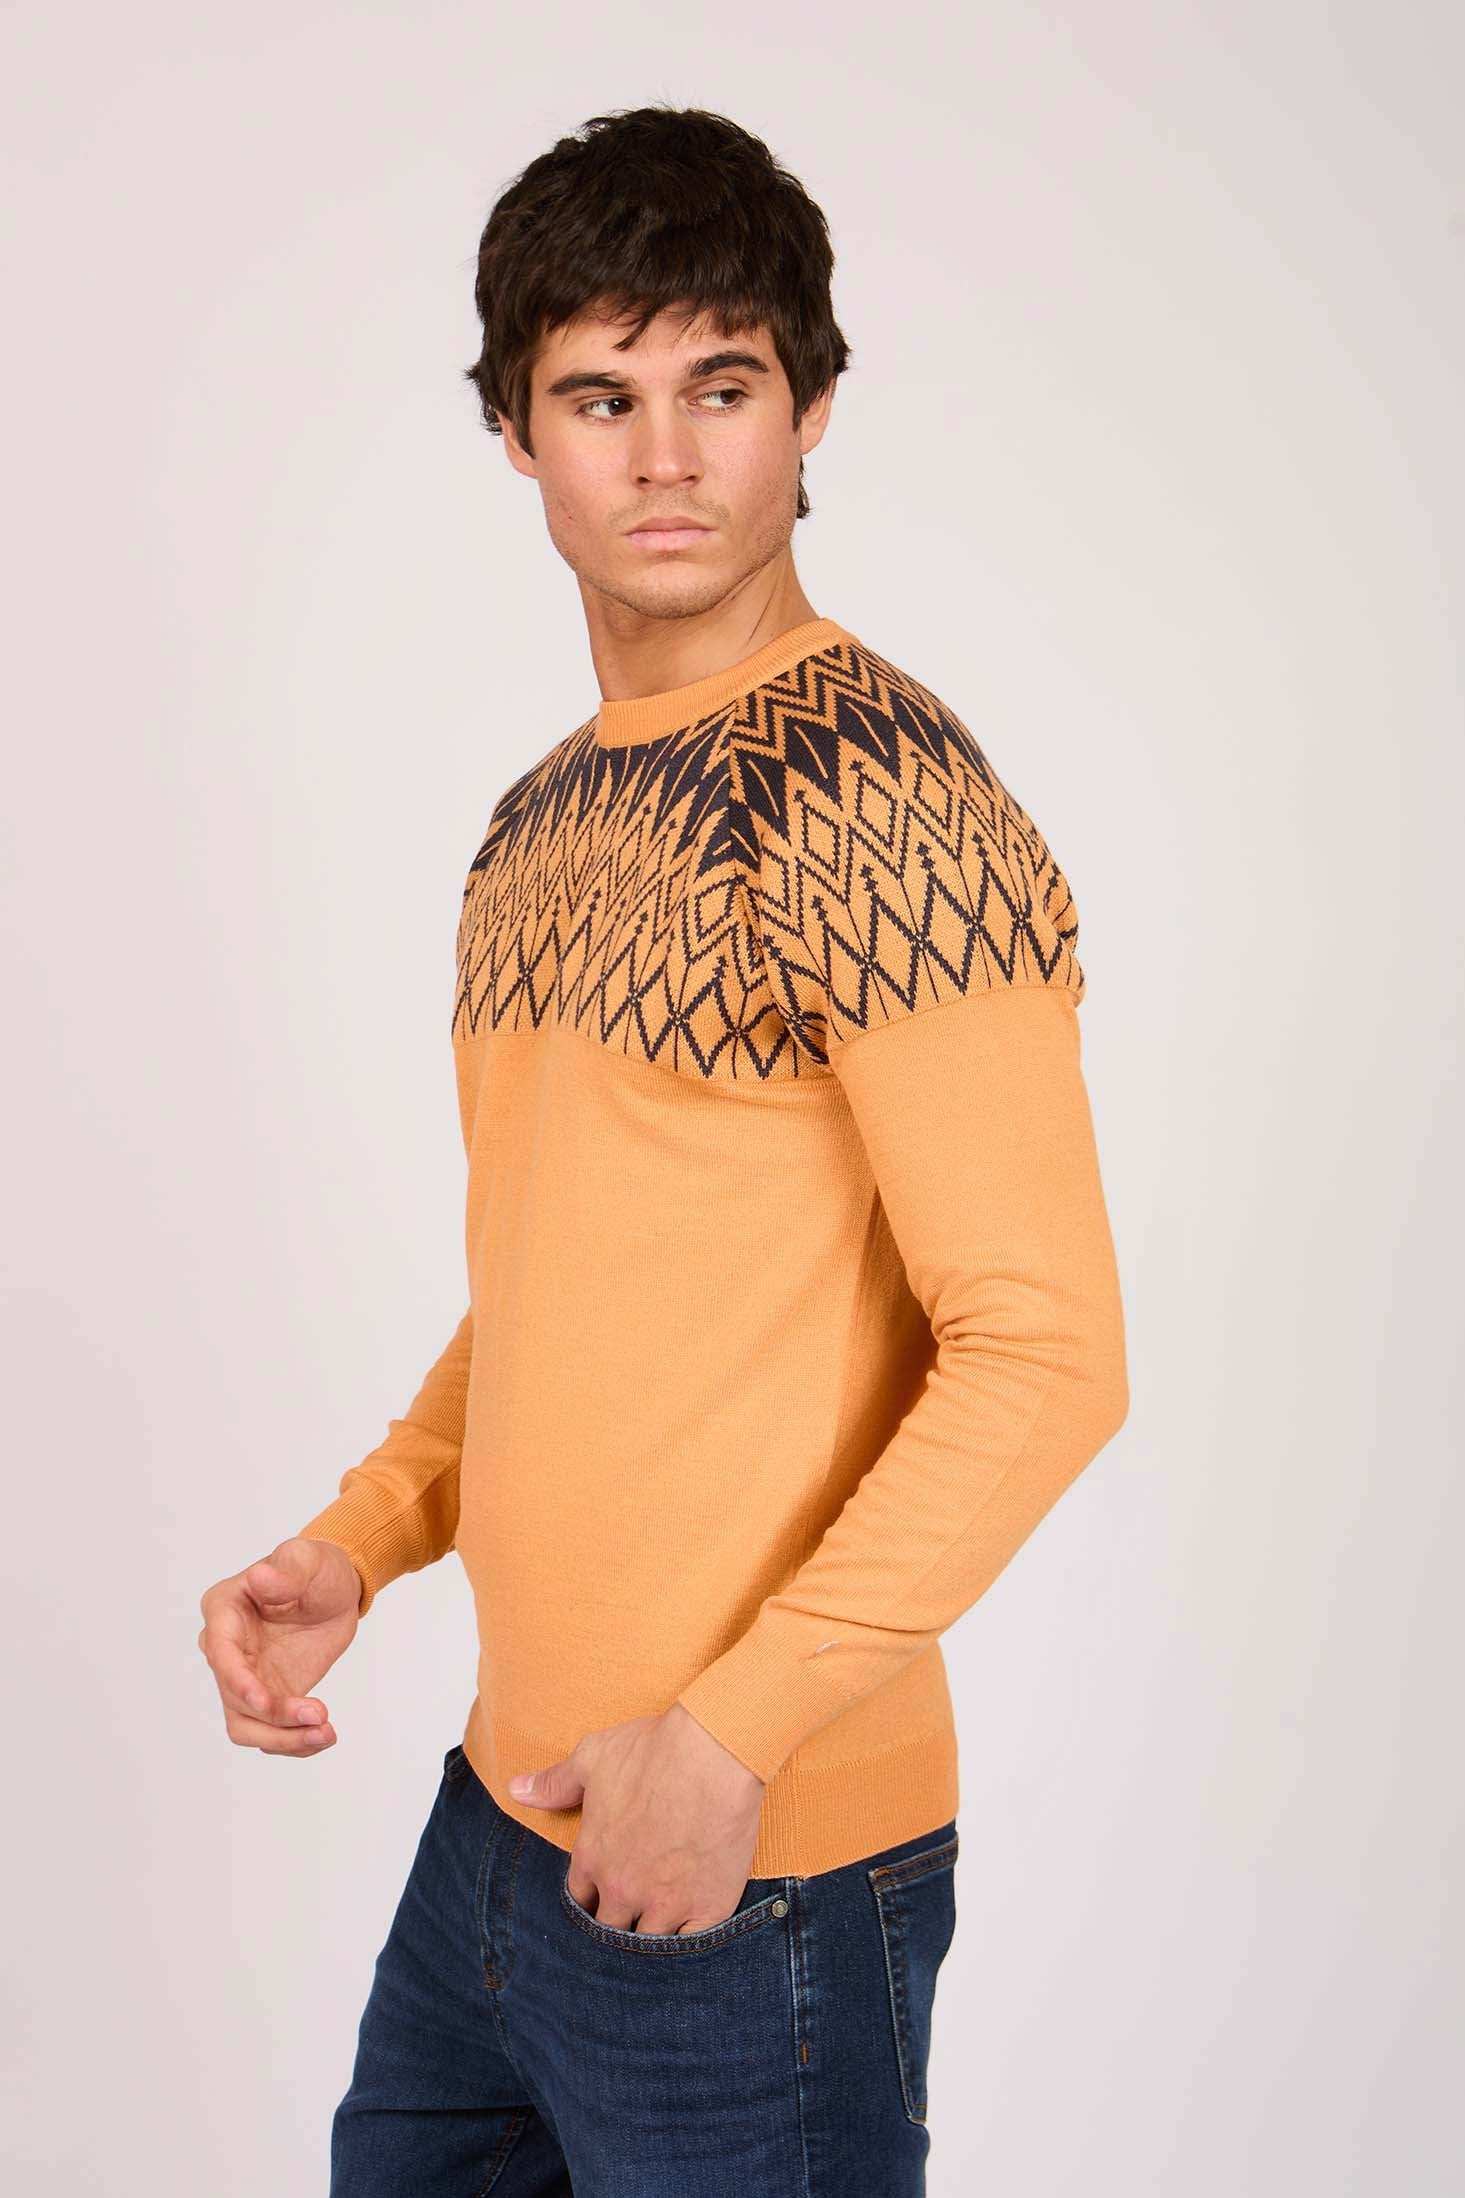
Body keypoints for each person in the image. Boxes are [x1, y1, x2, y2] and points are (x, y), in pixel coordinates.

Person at [197, 102, 1129, 2196]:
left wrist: (727, 1744)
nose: (667, 457)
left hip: (752, 1868)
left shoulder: (878, 793)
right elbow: (555, 1285)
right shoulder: (540, 819)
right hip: (499, 1836)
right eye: (599, 398)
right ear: (515, 434)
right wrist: (363, 1538)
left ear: (811, 410)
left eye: (722, 385)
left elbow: (1047, 1346)